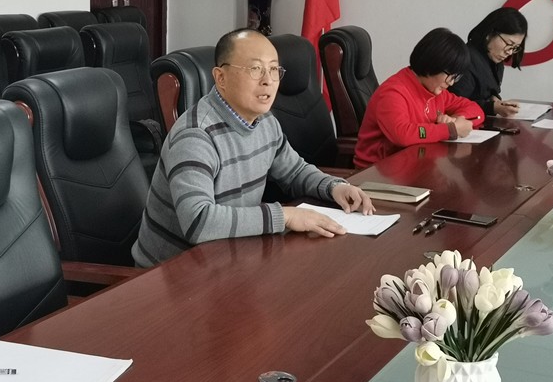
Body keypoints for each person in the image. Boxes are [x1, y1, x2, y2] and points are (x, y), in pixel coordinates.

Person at [131, 28, 375, 267]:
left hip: (230, 258)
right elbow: (199, 222)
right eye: (255, 69)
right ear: (221, 78)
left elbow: (295, 172)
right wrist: (286, 216)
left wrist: (334, 187)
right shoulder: (196, 135)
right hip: (171, 274)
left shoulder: (265, 121)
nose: (268, 80)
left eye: (273, 69)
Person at [353, 28, 486, 170]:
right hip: (376, 172)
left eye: (456, 77)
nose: (452, 83)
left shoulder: (436, 91)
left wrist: (456, 120)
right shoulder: (393, 92)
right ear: (433, 64)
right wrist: (450, 129)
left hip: (414, 166)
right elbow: (402, 134)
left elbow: (476, 111)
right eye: (450, 76)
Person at [452, 7, 527, 118]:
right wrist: (492, 107)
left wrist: (496, 100)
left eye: (515, 47)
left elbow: (486, 93)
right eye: (509, 44)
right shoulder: (465, 61)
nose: (510, 52)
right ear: (490, 34)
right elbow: (453, 105)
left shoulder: (495, 59)